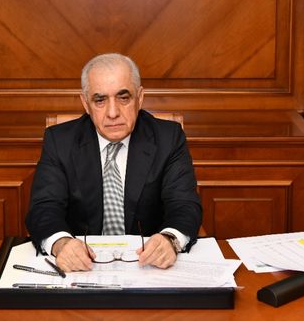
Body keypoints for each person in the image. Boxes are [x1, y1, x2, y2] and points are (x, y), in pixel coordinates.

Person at [25, 53, 202, 272]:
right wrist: (61, 244)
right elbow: (44, 207)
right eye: (100, 100)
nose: (112, 113)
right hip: (82, 268)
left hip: (149, 266)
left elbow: (184, 204)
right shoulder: (60, 141)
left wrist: (170, 239)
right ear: (85, 103)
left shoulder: (169, 138)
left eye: (123, 98)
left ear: (140, 98)